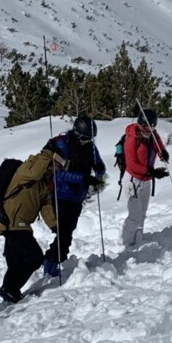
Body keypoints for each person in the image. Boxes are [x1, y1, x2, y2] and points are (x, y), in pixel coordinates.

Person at [0, 145, 65, 303]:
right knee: (34, 258)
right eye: (57, 165)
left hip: (20, 225)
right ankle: (9, 289)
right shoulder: (25, 170)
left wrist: (55, 226)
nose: (58, 170)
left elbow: (46, 207)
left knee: (17, 262)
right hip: (12, 222)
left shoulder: (42, 183)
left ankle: (10, 292)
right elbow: (35, 172)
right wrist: (47, 155)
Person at [41, 115, 107, 279]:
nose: (87, 141)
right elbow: (59, 174)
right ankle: (51, 263)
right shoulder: (63, 145)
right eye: (84, 137)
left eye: (90, 138)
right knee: (63, 233)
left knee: (68, 233)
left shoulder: (90, 146)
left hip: (77, 197)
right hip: (61, 195)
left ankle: (52, 258)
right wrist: (83, 178)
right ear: (76, 132)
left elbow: (98, 163)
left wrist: (99, 169)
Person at [119, 108, 169, 250]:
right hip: (132, 181)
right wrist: (152, 172)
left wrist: (163, 152)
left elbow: (157, 141)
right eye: (146, 126)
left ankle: (138, 241)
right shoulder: (131, 139)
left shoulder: (152, 135)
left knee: (142, 215)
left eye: (153, 126)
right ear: (140, 124)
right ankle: (126, 245)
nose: (149, 129)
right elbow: (132, 164)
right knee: (134, 216)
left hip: (146, 180)